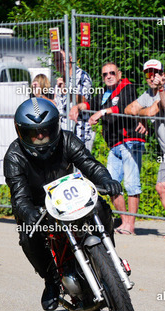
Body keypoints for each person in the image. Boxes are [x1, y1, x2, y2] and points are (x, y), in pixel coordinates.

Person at [4, 98, 122, 311]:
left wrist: (106, 179)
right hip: (40, 209)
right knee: (28, 235)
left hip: (72, 199)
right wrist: (28, 212)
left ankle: (109, 256)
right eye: (33, 133)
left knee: (100, 206)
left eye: (46, 130)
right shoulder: (14, 156)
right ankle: (51, 280)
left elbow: (90, 164)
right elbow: (19, 196)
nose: (41, 137)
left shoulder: (67, 140)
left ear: (56, 127)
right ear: (21, 132)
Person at [70, 62, 144, 235]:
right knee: (111, 184)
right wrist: (77, 106)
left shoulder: (128, 87)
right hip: (114, 145)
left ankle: (130, 225)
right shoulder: (105, 93)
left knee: (131, 183)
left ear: (119, 74)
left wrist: (102, 112)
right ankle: (124, 223)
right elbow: (90, 104)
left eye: (112, 73)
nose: (109, 76)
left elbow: (125, 106)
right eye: (105, 74)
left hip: (129, 141)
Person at [124, 59, 165, 240]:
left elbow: (152, 111)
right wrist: (142, 116)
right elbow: (128, 109)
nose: (151, 77)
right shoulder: (148, 93)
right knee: (161, 187)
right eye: (148, 74)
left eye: (155, 73)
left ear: (162, 74)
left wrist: (142, 115)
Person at [53, 50, 96, 151]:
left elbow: (85, 100)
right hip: (62, 133)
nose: (59, 63)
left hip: (79, 133)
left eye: (62, 60)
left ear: (70, 59)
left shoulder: (82, 76)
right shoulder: (60, 80)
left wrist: (67, 90)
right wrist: (40, 97)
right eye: (56, 61)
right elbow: (56, 104)